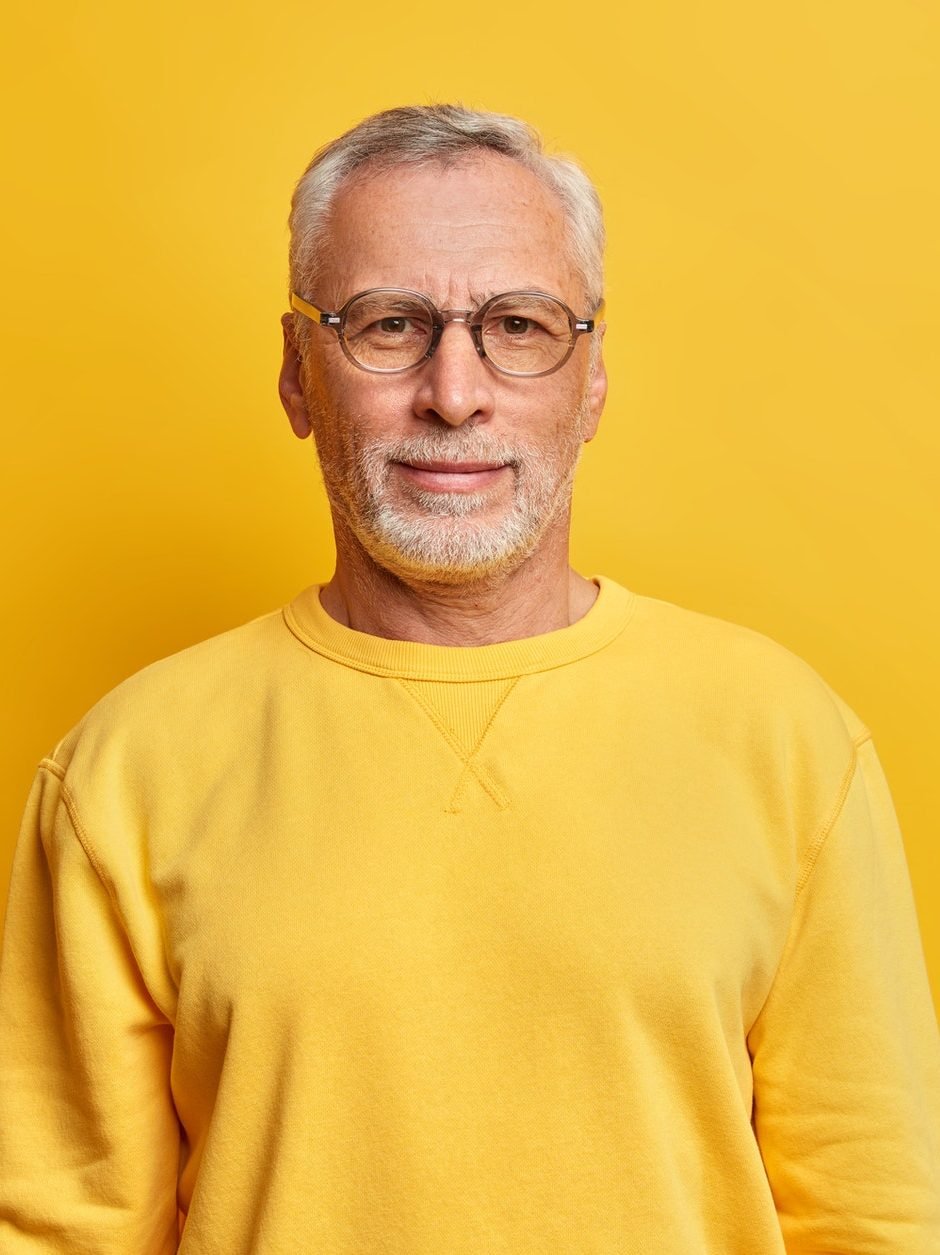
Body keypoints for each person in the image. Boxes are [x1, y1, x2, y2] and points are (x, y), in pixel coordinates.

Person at [0, 104, 937, 1254]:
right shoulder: (124, 769)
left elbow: (878, 1217)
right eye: (388, 326)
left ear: (591, 379)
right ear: (298, 376)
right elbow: (59, 1230)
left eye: (519, 326)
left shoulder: (788, 740)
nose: (454, 392)